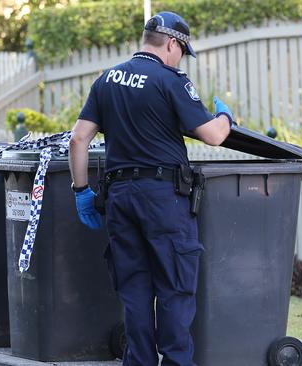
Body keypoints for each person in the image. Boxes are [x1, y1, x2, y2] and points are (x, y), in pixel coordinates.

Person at [68, 11, 233, 366]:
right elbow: (213, 136)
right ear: (173, 44)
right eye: (180, 52)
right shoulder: (171, 80)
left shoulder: (107, 80)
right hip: (163, 200)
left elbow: (79, 139)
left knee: (135, 290)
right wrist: (225, 117)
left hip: (118, 199)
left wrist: (81, 191)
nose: (179, 59)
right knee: (174, 287)